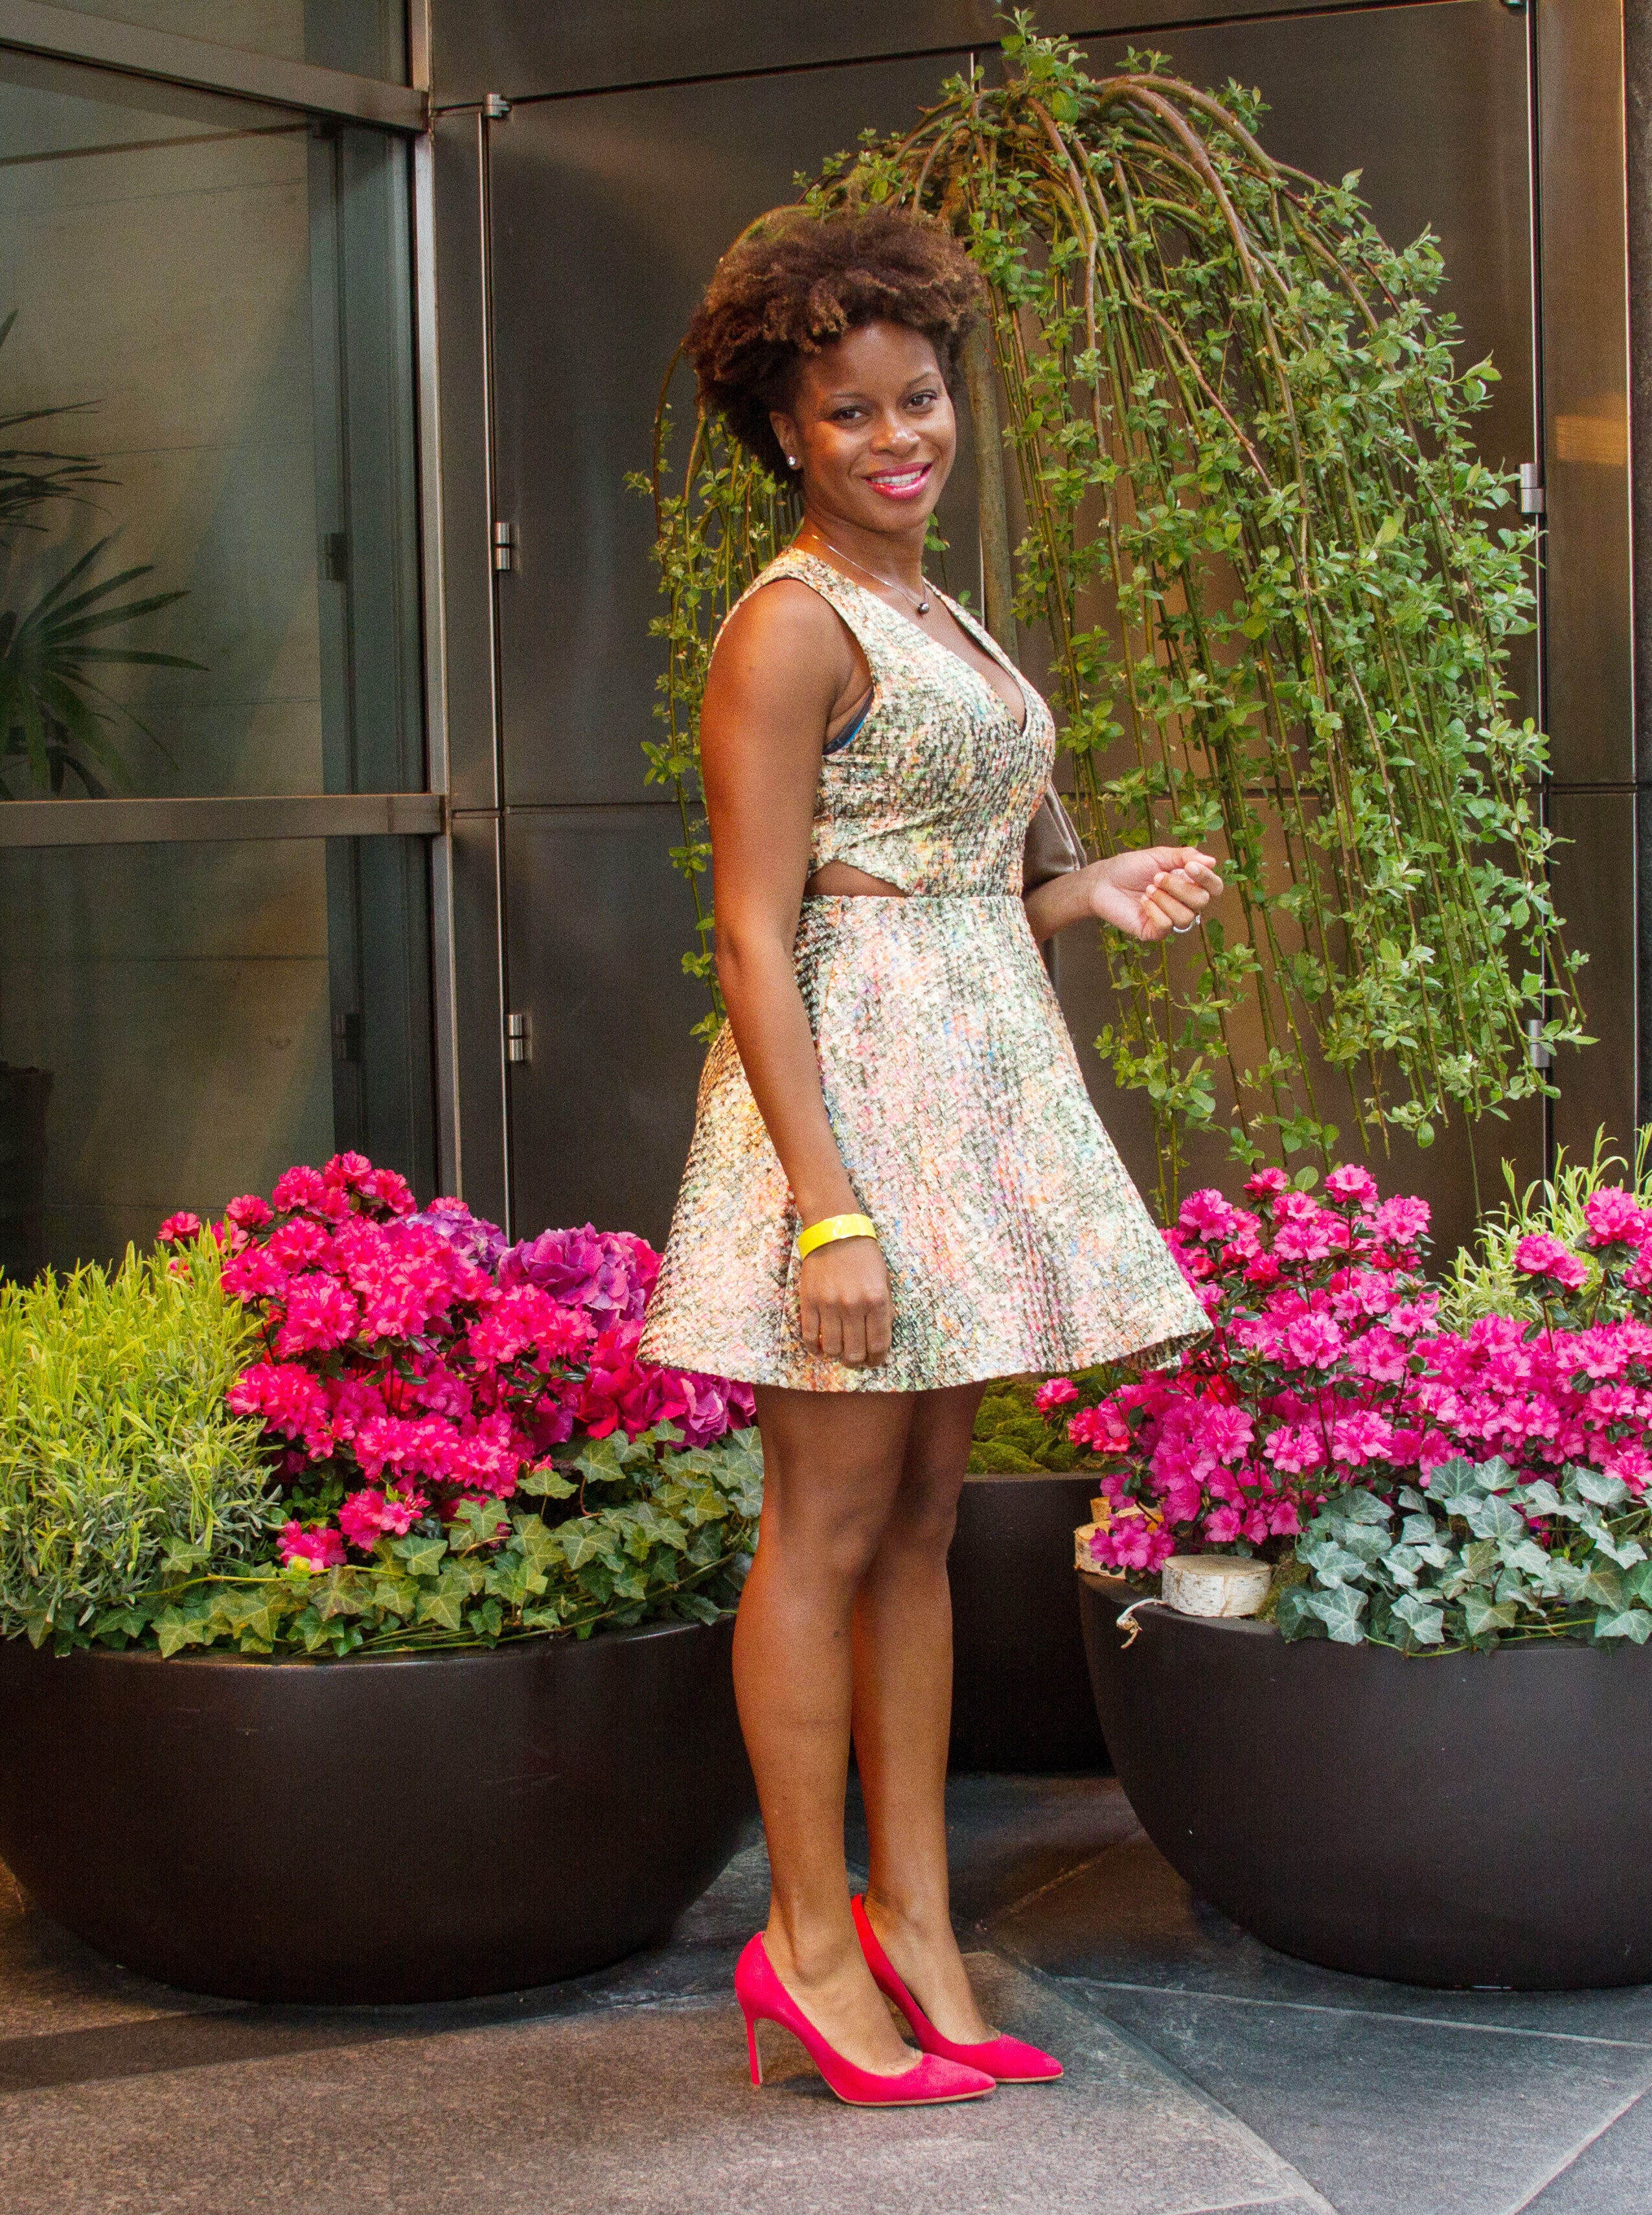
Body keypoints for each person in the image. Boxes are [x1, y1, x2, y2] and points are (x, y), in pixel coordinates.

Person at [634, 206, 1219, 2109]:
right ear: (784, 430)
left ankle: (918, 1923)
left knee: (918, 1529)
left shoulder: (934, 608)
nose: (899, 436)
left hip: (968, 1106)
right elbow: (757, 936)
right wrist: (827, 1212)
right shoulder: (789, 623)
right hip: (848, 1136)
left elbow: (949, 893)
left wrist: (1086, 890)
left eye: (921, 396)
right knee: (823, 1528)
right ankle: (808, 1946)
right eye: (851, 411)